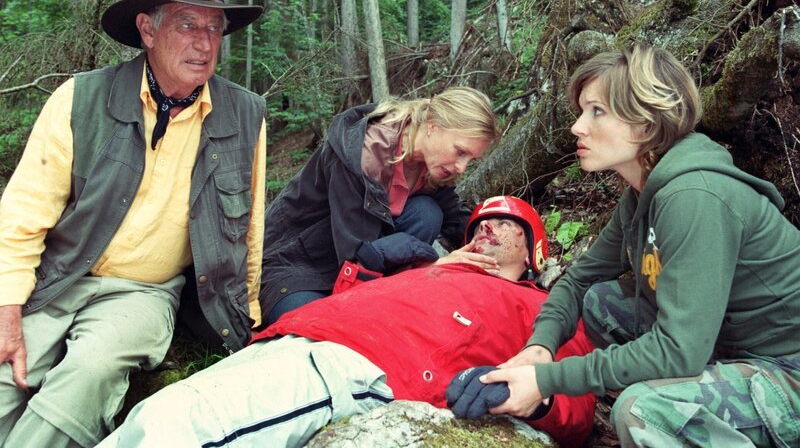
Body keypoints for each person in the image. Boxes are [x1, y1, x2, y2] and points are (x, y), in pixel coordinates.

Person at [0, 0, 267, 448]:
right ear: (147, 29)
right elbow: (21, 214)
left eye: (215, 28)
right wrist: (7, 308)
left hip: (144, 293)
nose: (205, 44)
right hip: (57, 278)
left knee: (90, 371)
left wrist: (246, 314)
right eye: (188, 25)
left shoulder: (245, 113)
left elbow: (250, 227)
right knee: (5, 375)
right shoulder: (80, 98)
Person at [481, 45, 800, 447]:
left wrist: (548, 381)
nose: (578, 127)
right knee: (600, 303)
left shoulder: (694, 196)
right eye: (582, 111)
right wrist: (540, 348)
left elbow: (679, 352)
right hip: (725, 343)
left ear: (647, 122)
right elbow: (579, 282)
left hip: (788, 369)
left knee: (643, 411)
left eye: (597, 111)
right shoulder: (643, 194)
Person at [97, 196, 596, 448]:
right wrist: (377, 261)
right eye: (480, 222)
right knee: (149, 418)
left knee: (173, 428)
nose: (487, 227)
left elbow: (578, 395)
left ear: (534, 251)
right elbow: (352, 300)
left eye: (506, 224)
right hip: (291, 337)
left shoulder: (539, 306)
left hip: (357, 364)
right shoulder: (430, 269)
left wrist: (535, 398)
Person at [261, 87, 500, 324]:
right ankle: (388, 296)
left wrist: (492, 243)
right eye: (460, 152)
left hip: (363, 259)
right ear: (433, 126)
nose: (461, 167)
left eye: (470, 159)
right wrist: (431, 266)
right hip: (298, 266)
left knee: (427, 212)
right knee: (315, 330)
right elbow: (355, 256)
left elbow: (453, 216)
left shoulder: (431, 162)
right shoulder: (363, 157)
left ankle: (389, 295)